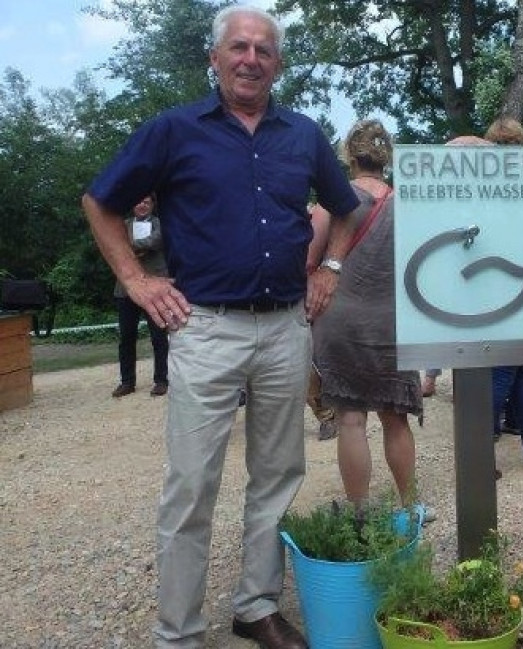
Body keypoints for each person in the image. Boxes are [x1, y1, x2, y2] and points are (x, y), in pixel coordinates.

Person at [81, 5, 360, 649]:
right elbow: (101, 200)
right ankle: (178, 632)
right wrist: (136, 280)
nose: (250, 59)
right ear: (214, 57)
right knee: (191, 485)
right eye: (238, 46)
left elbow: (347, 208)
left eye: (264, 49)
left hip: (287, 328)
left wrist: (332, 268)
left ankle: (256, 605)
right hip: (206, 329)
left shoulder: (303, 134)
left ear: (278, 63)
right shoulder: (174, 131)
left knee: (277, 474)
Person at [309, 119, 424, 509]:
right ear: (386, 157)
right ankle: (410, 504)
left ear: (349, 155)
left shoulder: (334, 201)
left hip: (341, 320)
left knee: (351, 419)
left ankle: (359, 508)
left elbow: (308, 259)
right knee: (396, 419)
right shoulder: (407, 203)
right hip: (395, 321)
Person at [483, 117, 523, 473]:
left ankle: (481, 450)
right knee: (521, 373)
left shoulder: (486, 186)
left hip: (498, 288)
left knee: (501, 374)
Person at [111, 195, 169, 398]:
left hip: (155, 287)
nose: (142, 205)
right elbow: (112, 247)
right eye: (138, 201)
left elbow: (157, 240)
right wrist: (129, 248)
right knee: (126, 337)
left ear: (153, 205)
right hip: (126, 290)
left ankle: (161, 380)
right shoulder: (123, 225)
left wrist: (130, 246)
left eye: (147, 202)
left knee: (159, 337)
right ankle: (127, 382)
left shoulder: (162, 224)